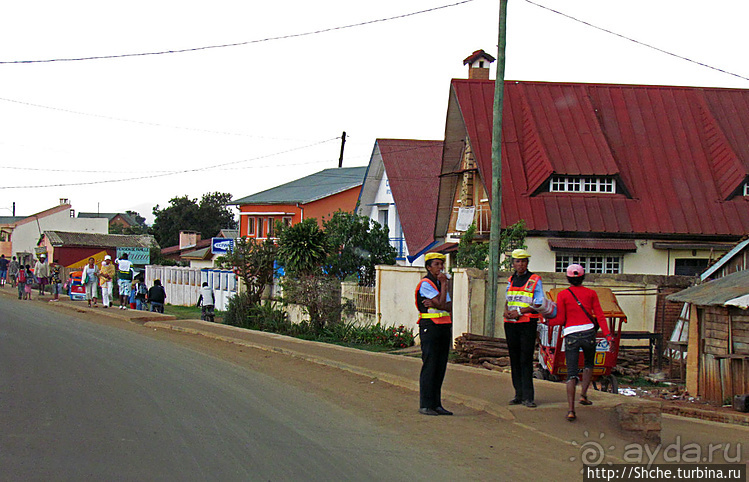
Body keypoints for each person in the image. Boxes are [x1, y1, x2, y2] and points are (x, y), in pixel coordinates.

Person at [548, 264, 612, 422]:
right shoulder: (591, 293)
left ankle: (571, 410)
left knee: (571, 373)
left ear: (568, 278)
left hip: (571, 335)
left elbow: (561, 319)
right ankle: (583, 395)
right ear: (583, 277)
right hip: (589, 332)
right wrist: (608, 336)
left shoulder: (562, 295)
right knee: (589, 363)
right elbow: (600, 316)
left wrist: (547, 321)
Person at [504, 248, 544, 408]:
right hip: (511, 324)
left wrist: (519, 312)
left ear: (527, 263)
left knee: (525, 360)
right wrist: (505, 311)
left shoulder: (535, 279)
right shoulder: (511, 279)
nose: (520, 264)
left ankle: (528, 397)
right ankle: (518, 394)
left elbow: (539, 303)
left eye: (523, 261)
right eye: (518, 261)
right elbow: (508, 299)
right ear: (513, 263)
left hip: (527, 324)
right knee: (514, 359)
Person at [415, 252, 453, 416]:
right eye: (436, 264)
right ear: (429, 267)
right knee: (430, 365)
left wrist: (439, 303)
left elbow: (448, 305)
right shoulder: (426, 283)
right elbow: (443, 302)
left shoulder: (438, 283)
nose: (440, 267)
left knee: (440, 366)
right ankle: (425, 404)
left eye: (441, 264)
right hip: (430, 327)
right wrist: (444, 287)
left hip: (444, 327)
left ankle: (436, 404)